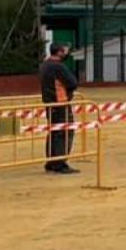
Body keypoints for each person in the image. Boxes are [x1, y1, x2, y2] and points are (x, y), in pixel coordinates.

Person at [39, 43, 79, 175]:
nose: (66, 53)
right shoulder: (58, 67)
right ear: (59, 52)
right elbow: (73, 83)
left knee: (53, 132)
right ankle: (60, 164)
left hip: (49, 103)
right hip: (60, 103)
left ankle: (51, 162)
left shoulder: (44, 65)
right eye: (64, 51)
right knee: (64, 133)